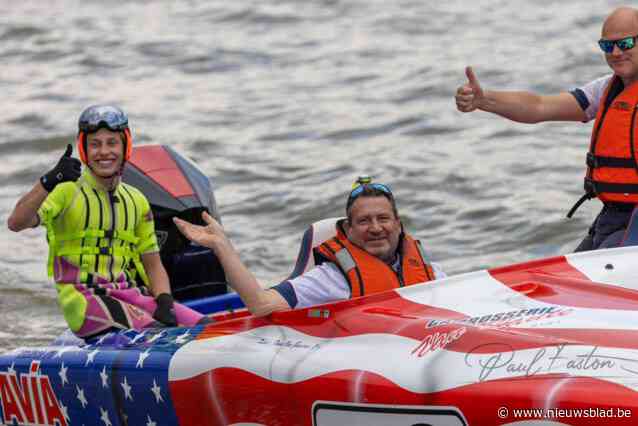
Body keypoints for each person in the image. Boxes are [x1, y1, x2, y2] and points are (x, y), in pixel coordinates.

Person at [7, 104, 207, 339]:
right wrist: (48, 181)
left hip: (130, 295)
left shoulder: (137, 200)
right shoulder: (66, 191)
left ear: (125, 147)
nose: (104, 151)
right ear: (84, 148)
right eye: (95, 144)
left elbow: (152, 264)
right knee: (157, 335)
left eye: (112, 143)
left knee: (206, 327)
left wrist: (164, 300)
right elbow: (16, 222)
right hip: (85, 300)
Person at [454, 6, 638, 252]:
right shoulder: (605, 89)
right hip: (611, 217)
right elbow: (540, 107)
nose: (615, 52)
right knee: (570, 280)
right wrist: (483, 100)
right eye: (607, 46)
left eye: (625, 43)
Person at [173, 178, 446, 316]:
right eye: (364, 221)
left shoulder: (427, 269)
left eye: (383, 218)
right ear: (349, 231)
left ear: (398, 225)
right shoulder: (332, 278)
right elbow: (260, 304)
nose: (375, 228)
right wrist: (222, 246)